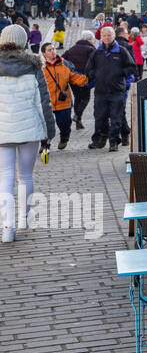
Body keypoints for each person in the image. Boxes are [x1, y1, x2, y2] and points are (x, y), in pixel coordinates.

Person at [0, 24, 57, 242]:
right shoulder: (33, 66)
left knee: (5, 177)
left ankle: (8, 227)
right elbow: (44, 102)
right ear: (24, 42)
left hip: (2, 129)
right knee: (25, 175)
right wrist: (49, 132)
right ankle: (24, 217)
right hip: (30, 129)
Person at [87, 24, 136, 152]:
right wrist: (95, 74)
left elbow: (132, 67)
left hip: (117, 90)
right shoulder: (97, 52)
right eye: (104, 35)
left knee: (116, 118)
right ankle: (101, 137)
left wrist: (120, 72)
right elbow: (89, 69)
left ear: (114, 36)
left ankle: (114, 142)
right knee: (100, 117)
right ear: (101, 37)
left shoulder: (121, 51)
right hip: (101, 91)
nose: (107, 37)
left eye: (109, 35)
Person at [41, 42, 87, 150]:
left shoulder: (65, 64)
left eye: (53, 49)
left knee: (65, 124)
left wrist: (87, 79)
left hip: (63, 101)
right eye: (49, 50)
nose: (53, 51)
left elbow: (74, 76)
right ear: (44, 53)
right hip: (46, 102)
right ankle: (45, 144)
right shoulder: (40, 67)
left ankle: (64, 137)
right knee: (45, 125)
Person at [62, 30, 97, 130]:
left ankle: (78, 120)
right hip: (85, 78)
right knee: (85, 98)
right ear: (89, 39)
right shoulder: (91, 49)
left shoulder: (72, 49)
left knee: (78, 97)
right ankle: (77, 116)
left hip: (73, 78)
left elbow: (62, 59)